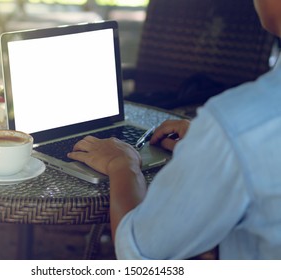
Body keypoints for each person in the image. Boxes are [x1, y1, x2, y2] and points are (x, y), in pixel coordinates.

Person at [68, 0, 281, 260]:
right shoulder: (239, 127)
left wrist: (123, 165)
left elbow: (141, 257)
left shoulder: (237, 124)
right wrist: (213, 146)